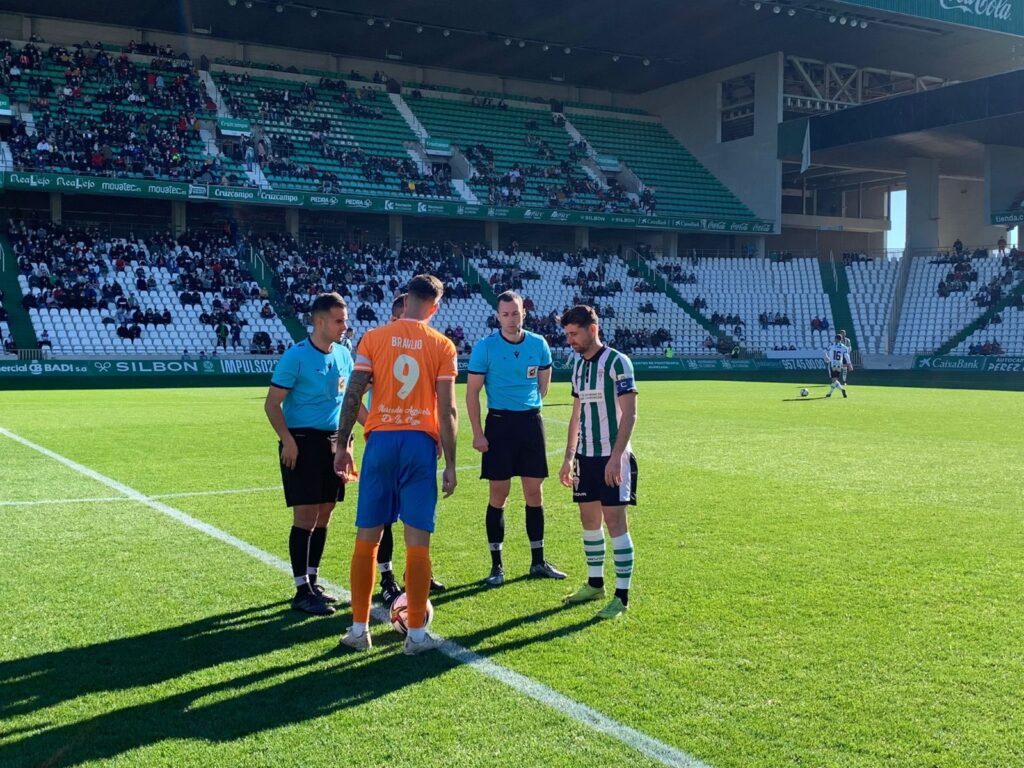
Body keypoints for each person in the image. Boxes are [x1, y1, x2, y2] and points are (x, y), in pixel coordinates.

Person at [335, 274, 458, 655]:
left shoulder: (373, 338)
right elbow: (448, 408)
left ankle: (359, 631)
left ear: (405, 301)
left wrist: (342, 445)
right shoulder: (442, 345)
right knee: (417, 542)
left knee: (367, 537)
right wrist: (451, 462)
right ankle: (416, 636)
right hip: (419, 443)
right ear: (434, 307)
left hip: (381, 441)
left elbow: (353, 396)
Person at [263, 292, 358, 616]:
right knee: (305, 516)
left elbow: (349, 402)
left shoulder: (344, 355)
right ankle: (301, 590)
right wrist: (287, 441)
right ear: (319, 321)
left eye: (345, 320)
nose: (345, 326)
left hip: (333, 442)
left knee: (326, 511)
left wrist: (349, 440)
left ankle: (313, 581)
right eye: (338, 320)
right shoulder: (296, 356)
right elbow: (272, 404)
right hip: (301, 442)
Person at [466, 291, 565, 587]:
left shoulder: (539, 344)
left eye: (516, 313)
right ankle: (497, 566)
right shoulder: (485, 347)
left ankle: (538, 561)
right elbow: (472, 393)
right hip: (499, 425)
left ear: (525, 314)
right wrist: (478, 433)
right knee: (499, 496)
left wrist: (528, 405)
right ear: (497, 316)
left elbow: (543, 386)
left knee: (535, 494)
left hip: (530, 423)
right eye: (505, 314)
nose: (511, 319)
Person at [557, 304, 638, 621]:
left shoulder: (618, 362)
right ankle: (595, 583)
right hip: (585, 457)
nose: (570, 341)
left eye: (574, 334)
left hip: (612, 456)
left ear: (593, 329)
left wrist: (617, 457)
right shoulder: (578, 367)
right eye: (567, 335)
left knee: (615, 522)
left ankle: (622, 595)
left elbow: (630, 413)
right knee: (589, 520)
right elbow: (576, 416)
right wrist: (568, 457)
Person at [372, 293, 446, 606]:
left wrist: (438, 433)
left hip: (418, 440)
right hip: (387, 439)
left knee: (417, 514)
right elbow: (356, 393)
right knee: (385, 517)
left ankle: (416, 573)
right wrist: (370, 425)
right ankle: (386, 578)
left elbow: (437, 397)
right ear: (394, 318)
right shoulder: (379, 346)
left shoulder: (428, 346)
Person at [823, 333, 852, 398]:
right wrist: (849, 364)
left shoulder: (831, 345)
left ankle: (842, 389)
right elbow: (847, 356)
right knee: (835, 380)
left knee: (834, 380)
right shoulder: (844, 347)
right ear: (841, 340)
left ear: (835, 339)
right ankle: (829, 393)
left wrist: (826, 357)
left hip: (832, 363)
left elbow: (824, 351)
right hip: (839, 364)